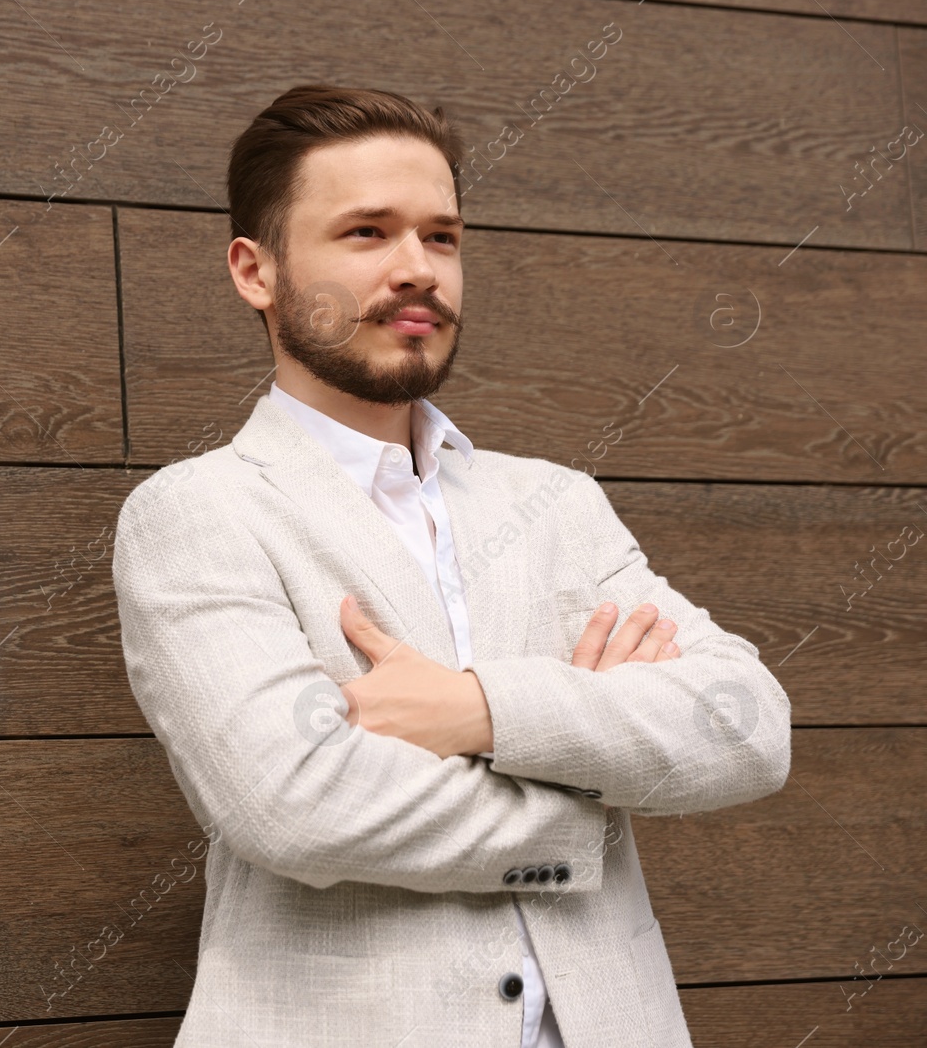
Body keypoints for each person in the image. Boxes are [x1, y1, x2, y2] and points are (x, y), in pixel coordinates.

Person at [110, 84, 791, 1047]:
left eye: (441, 236)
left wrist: (477, 710)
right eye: (366, 234)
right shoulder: (199, 513)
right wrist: (596, 786)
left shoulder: (555, 502)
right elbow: (296, 803)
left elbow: (748, 725)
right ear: (255, 272)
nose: (416, 269)